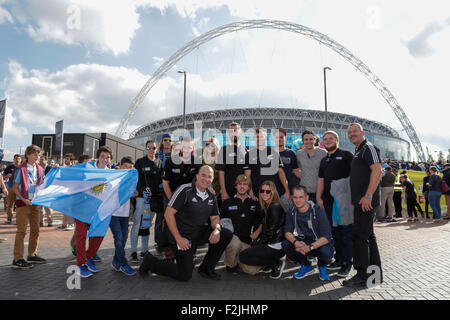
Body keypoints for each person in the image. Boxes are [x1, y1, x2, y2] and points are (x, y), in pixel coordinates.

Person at [139, 165, 233, 281]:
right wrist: (178, 238)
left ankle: (206, 268)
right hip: (181, 235)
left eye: (210, 177)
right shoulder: (185, 190)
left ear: (212, 179)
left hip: (197, 232)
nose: (206, 179)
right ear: (197, 176)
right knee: (184, 275)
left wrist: (217, 230)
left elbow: (215, 219)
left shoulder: (211, 196)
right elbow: (168, 214)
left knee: (225, 234)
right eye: (203, 175)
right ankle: (150, 261)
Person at [343, 123, 382, 288]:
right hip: (361, 202)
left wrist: (368, 195)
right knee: (368, 237)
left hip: (365, 202)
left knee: (360, 237)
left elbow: (377, 170)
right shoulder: (358, 150)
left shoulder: (369, 148)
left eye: (355, 131)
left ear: (362, 132)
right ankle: (374, 275)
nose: (352, 134)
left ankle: (362, 275)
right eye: (349, 132)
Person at [316, 130, 354, 278]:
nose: (328, 140)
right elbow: (321, 180)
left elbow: (354, 175)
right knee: (334, 233)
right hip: (328, 202)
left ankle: (347, 264)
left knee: (346, 233)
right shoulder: (324, 160)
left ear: (337, 140)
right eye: (325, 139)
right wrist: (319, 198)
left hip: (343, 201)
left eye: (331, 138)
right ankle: (338, 260)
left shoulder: (346, 155)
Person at [282, 185, 334, 281]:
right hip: (303, 242)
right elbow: (287, 232)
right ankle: (306, 266)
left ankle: (322, 266)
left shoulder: (318, 211)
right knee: (285, 244)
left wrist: (310, 247)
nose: (298, 200)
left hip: (318, 243)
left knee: (326, 252)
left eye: (301, 197)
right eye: (295, 197)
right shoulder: (291, 212)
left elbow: (327, 236)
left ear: (307, 197)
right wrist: (296, 243)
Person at [75, 146, 112, 278]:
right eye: (102, 156)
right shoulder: (87, 167)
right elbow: (72, 173)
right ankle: (81, 264)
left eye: (107, 157)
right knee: (81, 236)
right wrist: (55, 168)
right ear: (98, 157)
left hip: (98, 209)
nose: (105, 159)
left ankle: (89, 257)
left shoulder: (111, 173)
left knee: (99, 234)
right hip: (82, 206)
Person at [238, 181, 286, 280]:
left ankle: (275, 263)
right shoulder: (269, 206)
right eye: (262, 191)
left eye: (268, 191)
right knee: (250, 251)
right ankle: (271, 263)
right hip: (272, 244)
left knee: (243, 256)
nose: (264, 193)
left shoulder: (274, 207)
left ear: (273, 192)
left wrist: (257, 243)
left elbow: (271, 232)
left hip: (275, 246)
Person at [12, 145, 46, 269]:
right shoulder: (21, 169)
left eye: (38, 154)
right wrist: (23, 199)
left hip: (35, 203)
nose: (37, 156)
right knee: (21, 231)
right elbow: (15, 187)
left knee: (35, 230)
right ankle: (17, 258)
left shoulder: (40, 169)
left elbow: (42, 184)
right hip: (23, 204)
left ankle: (31, 254)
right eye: (34, 154)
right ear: (28, 155)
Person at [220, 174, 261, 275]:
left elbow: (261, 221)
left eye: (245, 184)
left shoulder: (255, 203)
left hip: (247, 241)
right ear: (235, 186)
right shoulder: (227, 203)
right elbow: (220, 221)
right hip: (231, 239)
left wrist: (256, 235)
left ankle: (238, 258)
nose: (242, 186)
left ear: (249, 187)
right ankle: (230, 265)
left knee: (253, 271)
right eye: (239, 184)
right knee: (235, 244)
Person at [131, 140, 164, 262]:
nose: (151, 150)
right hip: (141, 199)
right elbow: (135, 179)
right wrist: (140, 191)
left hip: (153, 200)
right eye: (149, 148)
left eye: (153, 148)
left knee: (147, 225)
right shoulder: (140, 162)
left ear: (156, 149)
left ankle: (144, 250)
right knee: (137, 224)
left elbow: (161, 180)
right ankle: (133, 251)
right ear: (145, 149)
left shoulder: (159, 162)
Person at [244, 128, 290, 208]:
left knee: (274, 216)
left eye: (261, 136)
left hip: (273, 193)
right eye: (257, 137)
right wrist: (250, 191)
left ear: (266, 138)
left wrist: (287, 190)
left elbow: (281, 172)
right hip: (257, 194)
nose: (259, 139)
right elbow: (247, 175)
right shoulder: (249, 154)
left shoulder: (274, 152)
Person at [110, 156, 138, 276]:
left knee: (123, 238)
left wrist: (134, 194)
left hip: (125, 214)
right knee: (119, 238)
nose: (127, 169)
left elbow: (133, 193)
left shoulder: (131, 179)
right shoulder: (114, 178)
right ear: (120, 166)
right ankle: (123, 263)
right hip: (113, 213)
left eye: (130, 167)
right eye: (125, 166)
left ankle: (116, 261)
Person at [216, 122, 248, 202]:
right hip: (228, 193)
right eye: (230, 131)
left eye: (235, 130)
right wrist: (223, 191)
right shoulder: (224, 150)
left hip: (243, 193)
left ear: (240, 132)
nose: (233, 133)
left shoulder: (246, 150)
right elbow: (221, 172)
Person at [70, 155, 93, 257]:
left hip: (92, 207)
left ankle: (92, 252)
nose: (89, 165)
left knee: (93, 230)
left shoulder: (94, 175)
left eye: (90, 163)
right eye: (86, 163)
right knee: (80, 232)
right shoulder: (75, 176)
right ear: (80, 164)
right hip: (79, 208)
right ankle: (74, 246)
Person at [296, 130, 327, 202]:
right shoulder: (299, 154)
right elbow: (296, 169)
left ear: (315, 140)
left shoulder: (323, 153)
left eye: (311, 139)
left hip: (320, 193)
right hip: (304, 193)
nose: (308, 141)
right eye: (306, 139)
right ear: (303, 141)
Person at [273, 128, 301, 194]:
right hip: (273, 189)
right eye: (277, 137)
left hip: (289, 189)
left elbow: (296, 171)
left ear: (285, 138)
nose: (279, 139)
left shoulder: (291, 153)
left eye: (281, 137)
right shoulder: (269, 153)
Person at [3, 154, 22, 224]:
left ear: (21, 160)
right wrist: (7, 176)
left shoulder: (23, 167)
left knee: (19, 204)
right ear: (13, 159)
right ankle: (9, 218)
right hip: (10, 187)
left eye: (19, 158)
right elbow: (3, 177)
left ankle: (18, 219)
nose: (17, 160)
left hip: (20, 189)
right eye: (16, 158)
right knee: (10, 204)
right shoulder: (9, 167)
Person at [58, 153, 75, 230]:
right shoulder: (63, 168)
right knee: (64, 208)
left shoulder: (74, 168)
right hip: (64, 191)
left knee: (70, 208)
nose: (65, 160)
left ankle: (71, 224)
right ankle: (64, 224)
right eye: (65, 158)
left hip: (72, 191)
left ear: (71, 160)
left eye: (67, 159)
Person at [38, 155, 54, 227]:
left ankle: (50, 221)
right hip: (40, 190)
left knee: (48, 207)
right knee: (39, 207)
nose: (40, 161)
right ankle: (40, 221)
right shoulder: (37, 168)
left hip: (48, 190)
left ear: (46, 161)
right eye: (40, 160)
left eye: (42, 160)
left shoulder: (50, 168)